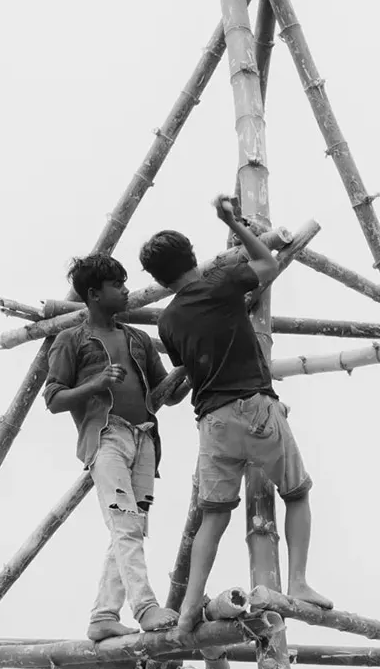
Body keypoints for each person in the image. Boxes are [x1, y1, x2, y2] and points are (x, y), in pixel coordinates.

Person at [138, 197, 328, 639]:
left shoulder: (167, 321)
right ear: (192, 257)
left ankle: (188, 607)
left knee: (213, 517)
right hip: (254, 406)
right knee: (297, 493)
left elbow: (193, 360)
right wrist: (231, 224)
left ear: (157, 278)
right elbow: (267, 264)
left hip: (213, 423)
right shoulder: (222, 282)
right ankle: (297, 581)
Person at [47, 251, 179, 644]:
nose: (125, 291)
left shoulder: (136, 339)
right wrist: (95, 383)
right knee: (125, 525)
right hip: (106, 438)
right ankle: (145, 607)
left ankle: (104, 615)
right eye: (117, 285)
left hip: (144, 439)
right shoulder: (72, 340)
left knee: (131, 529)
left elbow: (164, 394)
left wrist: (191, 368)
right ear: (93, 294)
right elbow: (53, 398)